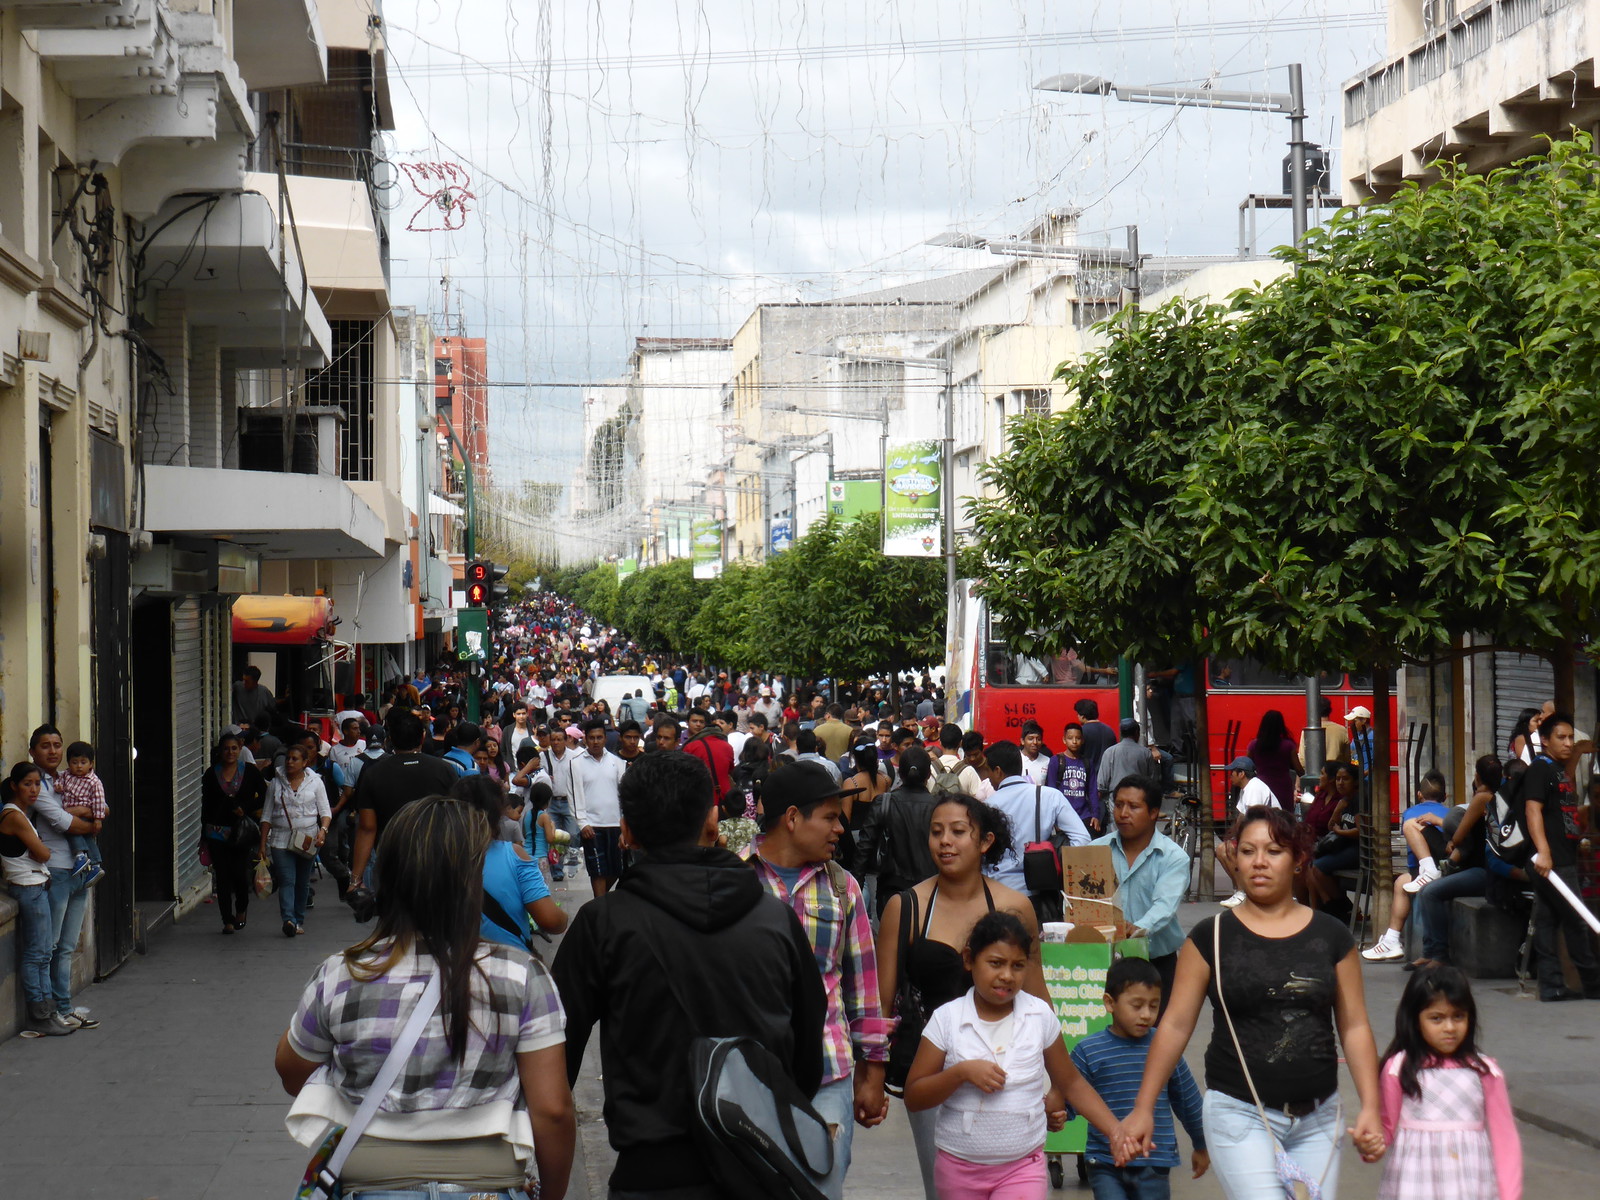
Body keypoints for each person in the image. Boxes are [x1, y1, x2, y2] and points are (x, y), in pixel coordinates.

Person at [551, 750, 826, 1200]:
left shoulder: (603, 925)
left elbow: (556, 1058)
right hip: (761, 1167)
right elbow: (806, 1056)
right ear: (713, 821)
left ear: (627, 832)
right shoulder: (776, 921)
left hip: (651, 1175)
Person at [274, 794, 575, 1199]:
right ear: (472, 880)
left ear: (390, 877)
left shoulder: (343, 974)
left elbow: (292, 1072)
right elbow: (553, 1111)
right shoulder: (522, 976)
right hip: (486, 1184)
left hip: (371, 1183)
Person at [1112, 805, 1387, 1199]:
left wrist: (1371, 1108)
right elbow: (1174, 1025)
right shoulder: (1211, 937)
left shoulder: (1332, 936)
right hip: (1239, 1114)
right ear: (1234, 858)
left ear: (1298, 860)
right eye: (1248, 851)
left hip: (1320, 1118)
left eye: (1274, 851)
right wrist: (1143, 1107)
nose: (1259, 862)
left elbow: (1355, 1026)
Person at [875, 793, 1047, 1198]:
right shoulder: (906, 907)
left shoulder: (1014, 907)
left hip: (1010, 1072)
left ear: (985, 841)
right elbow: (881, 1006)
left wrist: (1054, 1080)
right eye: (936, 833)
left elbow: (1038, 999)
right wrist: (872, 1075)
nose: (945, 842)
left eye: (957, 832)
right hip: (933, 1074)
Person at [746, 760, 892, 1200]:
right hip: (750, 1071)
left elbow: (862, 987)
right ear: (792, 818)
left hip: (829, 1072)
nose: (841, 830)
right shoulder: (734, 880)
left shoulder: (841, 887)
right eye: (830, 817)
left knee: (821, 1185)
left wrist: (873, 1073)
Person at [903, 911, 1121, 1200]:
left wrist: (1116, 1131)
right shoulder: (947, 1020)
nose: (1007, 975)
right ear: (969, 959)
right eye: (995, 963)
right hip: (958, 1170)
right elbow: (915, 1095)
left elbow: (1071, 1083)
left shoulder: (1038, 1015)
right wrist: (961, 1073)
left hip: (1022, 1168)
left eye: (1018, 966)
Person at [1378, 965, 1520, 1200]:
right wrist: (1368, 1144)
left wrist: (1510, 1195)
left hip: (1471, 1186)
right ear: (1415, 1020)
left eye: (1458, 1016)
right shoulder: (1398, 1068)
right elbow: (1384, 1131)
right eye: (1437, 1018)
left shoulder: (1484, 1070)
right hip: (1413, 1186)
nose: (1450, 1027)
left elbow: (1505, 1139)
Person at [1072, 958, 1208, 1200]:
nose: (1146, 1015)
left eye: (1154, 1006)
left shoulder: (1165, 1047)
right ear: (1109, 1003)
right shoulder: (1088, 1051)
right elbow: (1072, 1095)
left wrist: (1202, 1144)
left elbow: (1188, 1101)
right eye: (1137, 1005)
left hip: (1153, 1161)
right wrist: (1057, 1112)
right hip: (1105, 1161)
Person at [1521, 711, 1600, 1001]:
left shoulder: (1556, 769)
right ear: (1545, 741)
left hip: (1559, 857)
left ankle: (1552, 985)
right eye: (1561, 738)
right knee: (1576, 920)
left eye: (1570, 738)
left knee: (1547, 920)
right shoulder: (1540, 769)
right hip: (1552, 862)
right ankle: (1592, 983)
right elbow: (1533, 810)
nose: (1568, 743)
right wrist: (1543, 851)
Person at [27, 724, 101, 1031]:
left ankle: (65, 1006)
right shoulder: (34, 785)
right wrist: (90, 819)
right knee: (53, 944)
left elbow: (104, 806)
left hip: (79, 871)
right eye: (45, 745)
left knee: (68, 945)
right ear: (32, 751)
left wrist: (89, 813)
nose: (53, 751)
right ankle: (51, 1010)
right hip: (56, 870)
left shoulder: (69, 778)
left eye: (57, 744)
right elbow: (62, 821)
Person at [1093, 777, 1191, 1009]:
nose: (1123, 813)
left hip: (1155, 963)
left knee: (1154, 1034)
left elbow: (1164, 907)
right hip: (1103, 960)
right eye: (1118, 805)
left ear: (1153, 813)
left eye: (1133, 807)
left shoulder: (1173, 857)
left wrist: (1137, 928)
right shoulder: (1094, 850)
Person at [349, 708, 460, 892]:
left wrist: (355, 879)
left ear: (390, 740)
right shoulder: (444, 770)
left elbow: (367, 828)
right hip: (436, 859)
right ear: (423, 737)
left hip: (392, 860)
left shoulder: (374, 774)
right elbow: (457, 819)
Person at [981, 740, 1090, 922]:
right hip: (1039, 895)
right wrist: (1057, 863)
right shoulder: (1049, 796)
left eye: (988, 771)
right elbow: (1083, 839)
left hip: (996, 896)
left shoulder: (986, 807)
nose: (988, 778)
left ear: (998, 771)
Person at [2, 762, 73, 1037]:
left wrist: (40, 849)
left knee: (44, 953)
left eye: (36, 784)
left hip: (36, 885)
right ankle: (39, 1013)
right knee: (37, 954)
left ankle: (48, 1010)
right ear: (14, 786)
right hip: (28, 887)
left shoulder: (22, 814)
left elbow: (41, 852)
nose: (33, 790)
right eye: (27, 784)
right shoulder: (15, 816)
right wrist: (40, 849)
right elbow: (44, 854)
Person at [453, 775, 567, 945]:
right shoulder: (514, 855)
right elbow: (552, 921)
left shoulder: (440, 856)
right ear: (498, 811)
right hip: (510, 961)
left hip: (454, 962)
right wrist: (564, 917)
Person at [200, 732, 269, 933]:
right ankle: (227, 920)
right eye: (226, 749)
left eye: (234, 748)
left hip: (241, 833)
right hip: (216, 833)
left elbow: (264, 795)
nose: (230, 752)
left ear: (239, 750)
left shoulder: (250, 772)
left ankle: (241, 908)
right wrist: (203, 833)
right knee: (222, 877)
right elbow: (206, 805)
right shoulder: (211, 774)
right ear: (220, 752)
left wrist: (245, 808)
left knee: (239, 875)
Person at [260, 743, 331, 937]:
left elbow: (325, 812)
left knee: (302, 882)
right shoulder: (276, 783)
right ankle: (288, 919)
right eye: (288, 758)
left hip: (307, 839)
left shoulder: (316, 782)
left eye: (295, 759)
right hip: (280, 840)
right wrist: (262, 844)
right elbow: (266, 816)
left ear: (305, 762)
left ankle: (298, 919)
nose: (290, 762)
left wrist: (322, 831)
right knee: (287, 880)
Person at [572, 718, 628, 898]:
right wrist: (582, 823)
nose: (595, 742)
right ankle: (600, 906)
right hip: (592, 826)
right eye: (592, 738)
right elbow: (574, 794)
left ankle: (599, 904)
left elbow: (623, 795)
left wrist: (624, 825)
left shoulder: (617, 763)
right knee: (597, 870)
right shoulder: (576, 763)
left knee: (615, 869)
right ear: (585, 740)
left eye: (599, 737)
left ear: (605, 738)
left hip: (615, 825)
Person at [1218, 756, 1280, 909]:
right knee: (1222, 849)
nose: (1230, 775)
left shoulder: (1254, 787)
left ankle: (1243, 892)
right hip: (1258, 833)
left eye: (1233, 772)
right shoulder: (1246, 789)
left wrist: (1237, 839)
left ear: (1241, 774)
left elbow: (1252, 819)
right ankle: (1240, 890)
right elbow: (1241, 816)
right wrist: (1231, 835)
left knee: (1227, 849)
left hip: (1269, 834)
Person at [56, 741, 108, 885]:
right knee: (88, 839)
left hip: (83, 816)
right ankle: (96, 864)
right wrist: (58, 787)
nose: (79, 766)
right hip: (72, 813)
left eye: (83, 762)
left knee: (72, 831)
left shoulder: (93, 781)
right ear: (68, 763)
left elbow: (99, 800)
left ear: (91, 764)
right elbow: (58, 782)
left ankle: (80, 855)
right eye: (75, 762)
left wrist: (98, 818)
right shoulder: (66, 775)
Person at [1044, 721, 1100, 834]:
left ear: (1082, 740)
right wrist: (1053, 820)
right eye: (1070, 738)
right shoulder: (1056, 761)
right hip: (1063, 816)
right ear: (1064, 740)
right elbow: (1051, 791)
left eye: (1078, 738)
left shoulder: (1087, 763)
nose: (1074, 741)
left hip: (1084, 816)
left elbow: (1092, 791)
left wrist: (1095, 815)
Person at [1246, 709, 1303, 808]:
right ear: (1281, 726)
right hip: (1283, 786)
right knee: (1283, 816)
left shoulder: (1254, 745)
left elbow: (1247, 765)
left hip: (1261, 784)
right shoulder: (1288, 745)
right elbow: (1298, 769)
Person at [1097, 719, 1159, 801]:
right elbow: (1152, 779)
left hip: (1116, 797)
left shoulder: (1110, 752)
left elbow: (1101, 782)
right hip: (1139, 797)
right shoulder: (1145, 753)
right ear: (1137, 732)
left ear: (1121, 733)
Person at [1298, 698, 1351, 772]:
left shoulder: (1308, 731)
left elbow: (1302, 759)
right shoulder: (1342, 730)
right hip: (1335, 774)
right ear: (1330, 710)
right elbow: (1347, 758)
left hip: (1314, 773)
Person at [1075, 698, 1119, 785]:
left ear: (1083, 716)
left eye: (1077, 715)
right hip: (1108, 780)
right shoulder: (1109, 731)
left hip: (1087, 779)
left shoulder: (1081, 732)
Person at [231, 663, 277, 728]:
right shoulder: (237, 687)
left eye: (247, 681)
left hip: (255, 728)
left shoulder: (264, 691)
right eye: (243, 680)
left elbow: (273, 706)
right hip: (239, 727)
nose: (244, 683)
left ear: (255, 681)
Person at [1019, 720, 1052, 784]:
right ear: (1022, 741)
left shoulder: (1047, 761)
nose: (1035, 742)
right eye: (1030, 739)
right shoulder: (1015, 759)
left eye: (1038, 739)